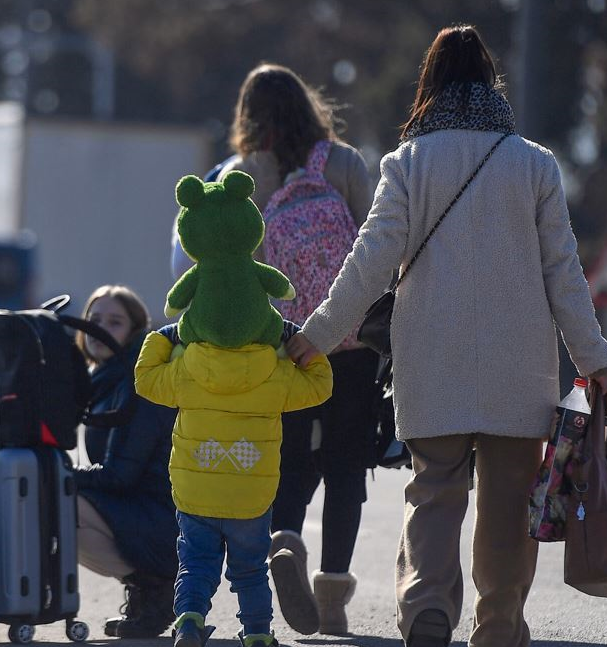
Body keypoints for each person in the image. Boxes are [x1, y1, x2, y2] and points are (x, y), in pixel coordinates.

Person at [287, 25, 607, 647]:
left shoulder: (407, 164)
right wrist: (593, 358)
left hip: (430, 359)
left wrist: (319, 334)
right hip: (521, 368)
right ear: (492, 83)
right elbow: (563, 274)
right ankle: (497, 625)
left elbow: (371, 261)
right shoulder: (535, 164)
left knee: (434, 488)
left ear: (429, 85)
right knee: (511, 499)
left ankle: (427, 610)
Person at [173, 63, 379, 636]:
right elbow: (376, 243)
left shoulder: (241, 175)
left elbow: (214, 263)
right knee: (345, 466)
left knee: (284, 456)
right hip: (350, 340)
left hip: (279, 344)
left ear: (248, 116)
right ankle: (334, 590)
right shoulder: (342, 163)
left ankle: (285, 538)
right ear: (308, 106)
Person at [134, 307, 333, 647]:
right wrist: (292, 335)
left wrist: (164, 336)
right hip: (250, 495)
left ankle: (189, 621)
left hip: (196, 492)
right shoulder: (275, 371)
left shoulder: (185, 369)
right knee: (250, 570)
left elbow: (145, 377)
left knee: (195, 564)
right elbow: (320, 385)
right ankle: (256, 632)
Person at [73, 285, 178, 639]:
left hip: (167, 520)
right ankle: (146, 591)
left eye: (114, 322)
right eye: (94, 320)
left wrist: (61, 475)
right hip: (142, 507)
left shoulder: (138, 380)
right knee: (53, 500)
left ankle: (157, 586)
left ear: (134, 332)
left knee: (59, 505)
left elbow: (120, 476)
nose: (100, 329)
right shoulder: (105, 377)